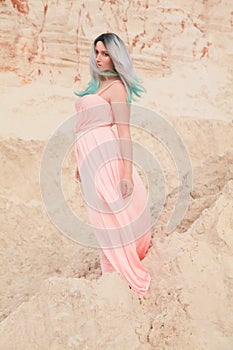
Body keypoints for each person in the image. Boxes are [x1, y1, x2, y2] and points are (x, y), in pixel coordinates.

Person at [74, 33, 152, 297]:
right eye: (96, 52)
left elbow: (124, 132)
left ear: (116, 57)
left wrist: (127, 173)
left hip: (105, 158)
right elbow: (83, 129)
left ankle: (116, 275)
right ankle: (111, 271)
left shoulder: (117, 87)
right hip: (89, 159)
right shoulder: (96, 87)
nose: (99, 58)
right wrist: (79, 162)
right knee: (99, 216)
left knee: (107, 215)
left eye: (105, 53)